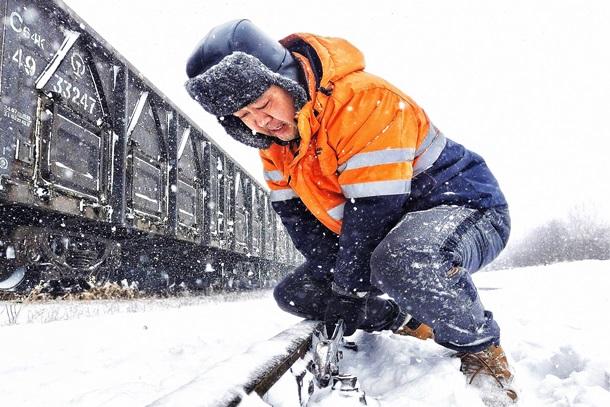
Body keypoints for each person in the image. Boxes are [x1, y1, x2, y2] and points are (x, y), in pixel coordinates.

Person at [185, 19, 516, 400]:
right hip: (387, 239)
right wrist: (338, 283)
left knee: (401, 258)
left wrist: (350, 288)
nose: (260, 122)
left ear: (287, 78)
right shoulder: (274, 147)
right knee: (295, 292)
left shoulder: (362, 101)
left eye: (262, 103)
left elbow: (374, 212)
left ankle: (480, 350)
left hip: (466, 211)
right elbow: (303, 226)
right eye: (243, 116)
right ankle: (406, 318)